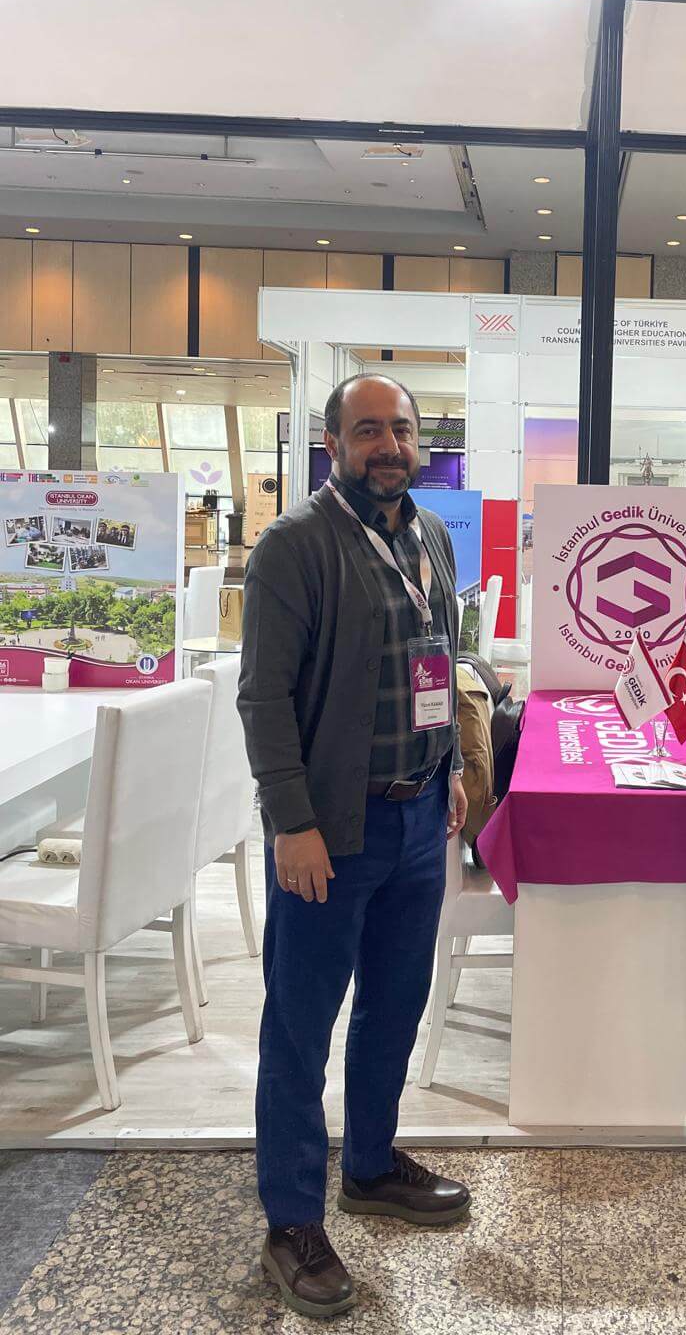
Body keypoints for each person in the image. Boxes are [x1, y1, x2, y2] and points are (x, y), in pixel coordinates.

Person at [238, 374, 472, 1319]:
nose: (388, 445)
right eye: (367, 429)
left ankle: (369, 1167)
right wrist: (292, 822)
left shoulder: (432, 534)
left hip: (419, 818)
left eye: (401, 429)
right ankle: (291, 1221)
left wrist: (453, 766)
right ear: (332, 442)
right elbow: (263, 698)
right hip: (332, 831)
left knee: (394, 1006)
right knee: (300, 1027)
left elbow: (439, 662)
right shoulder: (295, 546)